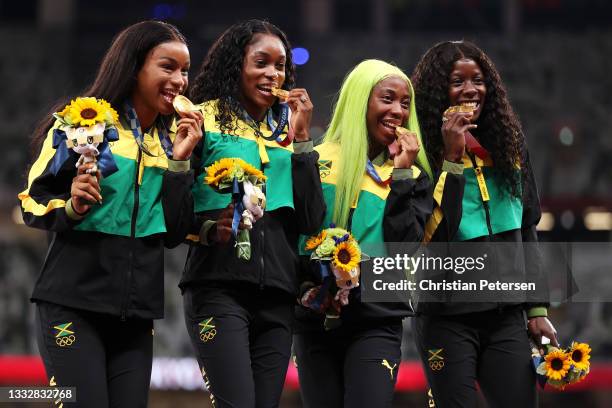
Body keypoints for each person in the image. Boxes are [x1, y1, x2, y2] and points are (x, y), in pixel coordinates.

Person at [18, 20, 202, 407]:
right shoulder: (83, 124)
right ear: (134, 67)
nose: (180, 80)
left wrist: (181, 164)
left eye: (184, 70)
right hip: (72, 307)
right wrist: (71, 204)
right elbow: (31, 201)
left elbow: (174, 233)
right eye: (167, 67)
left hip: (135, 318)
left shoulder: (174, 143)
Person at [180, 19, 325, 407]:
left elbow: (312, 219)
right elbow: (174, 210)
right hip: (218, 287)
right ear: (236, 65)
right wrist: (208, 228)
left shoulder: (290, 129)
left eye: (280, 66)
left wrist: (304, 140)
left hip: (278, 294)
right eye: (261, 62)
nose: (272, 74)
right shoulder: (202, 119)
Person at [411, 40, 558, 408]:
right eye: (457, 81)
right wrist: (452, 157)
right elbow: (436, 236)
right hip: (446, 316)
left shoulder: (509, 146)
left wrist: (536, 310)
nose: (470, 89)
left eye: (477, 79)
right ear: (436, 90)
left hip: (505, 315)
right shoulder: (417, 153)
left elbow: (527, 228)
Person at [293, 59, 432, 407]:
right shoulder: (315, 158)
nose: (398, 111)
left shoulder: (412, 176)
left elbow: (404, 250)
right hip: (315, 319)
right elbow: (298, 231)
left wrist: (401, 177)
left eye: (405, 103)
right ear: (359, 100)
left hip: (377, 320)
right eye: (387, 99)